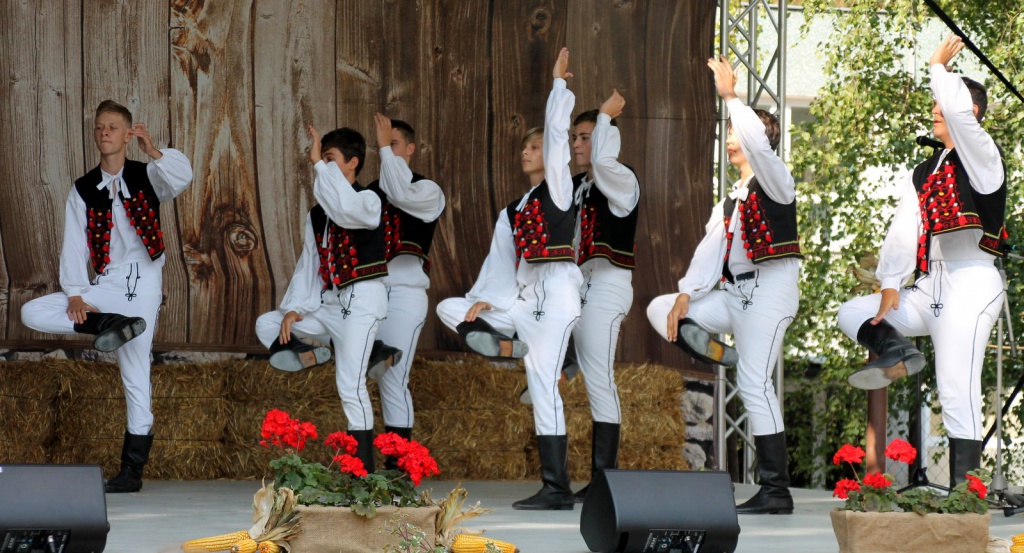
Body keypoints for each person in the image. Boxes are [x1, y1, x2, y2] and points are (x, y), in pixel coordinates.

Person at [836, 35, 1006, 487]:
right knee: (852, 312)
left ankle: (966, 494)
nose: (934, 110)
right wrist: (891, 282)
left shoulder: (984, 158)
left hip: (971, 282)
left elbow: (963, 123)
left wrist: (937, 67)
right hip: (929, 286)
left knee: (955, 388)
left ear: (969, 112)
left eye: (941, 104)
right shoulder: (924, 171)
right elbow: (904, 227)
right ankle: (898, 351)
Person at [646, 56, 802, 514]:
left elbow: (759, 147)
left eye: (737, 132)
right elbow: (708, 255)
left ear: (758, 140)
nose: (730, 138)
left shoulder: (777, 181)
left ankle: (776, 490)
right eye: (730, 131)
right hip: (734, 296)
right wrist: (686, 296)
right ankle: (720, 351)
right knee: (660, 308)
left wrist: (732, 96)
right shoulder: (730, 203)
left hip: (769, 291)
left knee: (754, 384)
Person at [21, 100, 193, 493]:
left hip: (142, 282)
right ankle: (111, 324)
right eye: (100, 127)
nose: (104, 133)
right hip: (104, 285)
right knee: (32, 312)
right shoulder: (83, 188)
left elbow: (182, 177)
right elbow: (73, 245)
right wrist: (76, 294)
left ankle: (131, 471)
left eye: (113, 127)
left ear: (127, 134)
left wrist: (153, 150)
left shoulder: (149, 174)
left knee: (136, 373)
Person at [437, 47, 582, 510]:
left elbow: (557, 135)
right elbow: (500, 265)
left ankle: (556, 488)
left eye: (533, 147)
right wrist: (484, 302)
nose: (526, 151)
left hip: (556, 293)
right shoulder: (512, 211)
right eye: (524, 147)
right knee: (450, 307)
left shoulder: (559, 188)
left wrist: (557, 86)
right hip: (520, 299)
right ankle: (504, 347)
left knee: (542, 384)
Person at [253, 126, 388, 472]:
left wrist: (317, 166)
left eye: (331, 160)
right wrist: (295, 309)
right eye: (323, 160)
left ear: (353, 163)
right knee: (268, 324)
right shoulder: (316, 214)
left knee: (350, 386)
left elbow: (346, 211)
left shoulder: (369, 199)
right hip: (329, 306)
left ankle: (363, 473)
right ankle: (317, 352)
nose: (324, 166)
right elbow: (310, 265)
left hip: (361, 303)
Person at [565, 90, 641, 503]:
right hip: (578, 284)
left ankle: (604, 481)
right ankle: (566, 359)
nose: (577, 144)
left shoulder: (621, 178)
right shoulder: (578, 185)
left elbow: (605, 164)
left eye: (586, 137)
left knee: (599, 379)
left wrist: (607, 119)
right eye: (574, 138)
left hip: (608, 283)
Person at [364, 113, 446, 462]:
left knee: (393, 378)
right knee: (355, 371)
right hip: (368, 292)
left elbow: (399, 192)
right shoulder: (368, 193)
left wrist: (384, 149)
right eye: (381, 144)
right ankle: (361, 464)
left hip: (404, 293)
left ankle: (397, 466)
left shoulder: (427, 190)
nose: (385, 149)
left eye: (393, 143)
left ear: (410, 149)